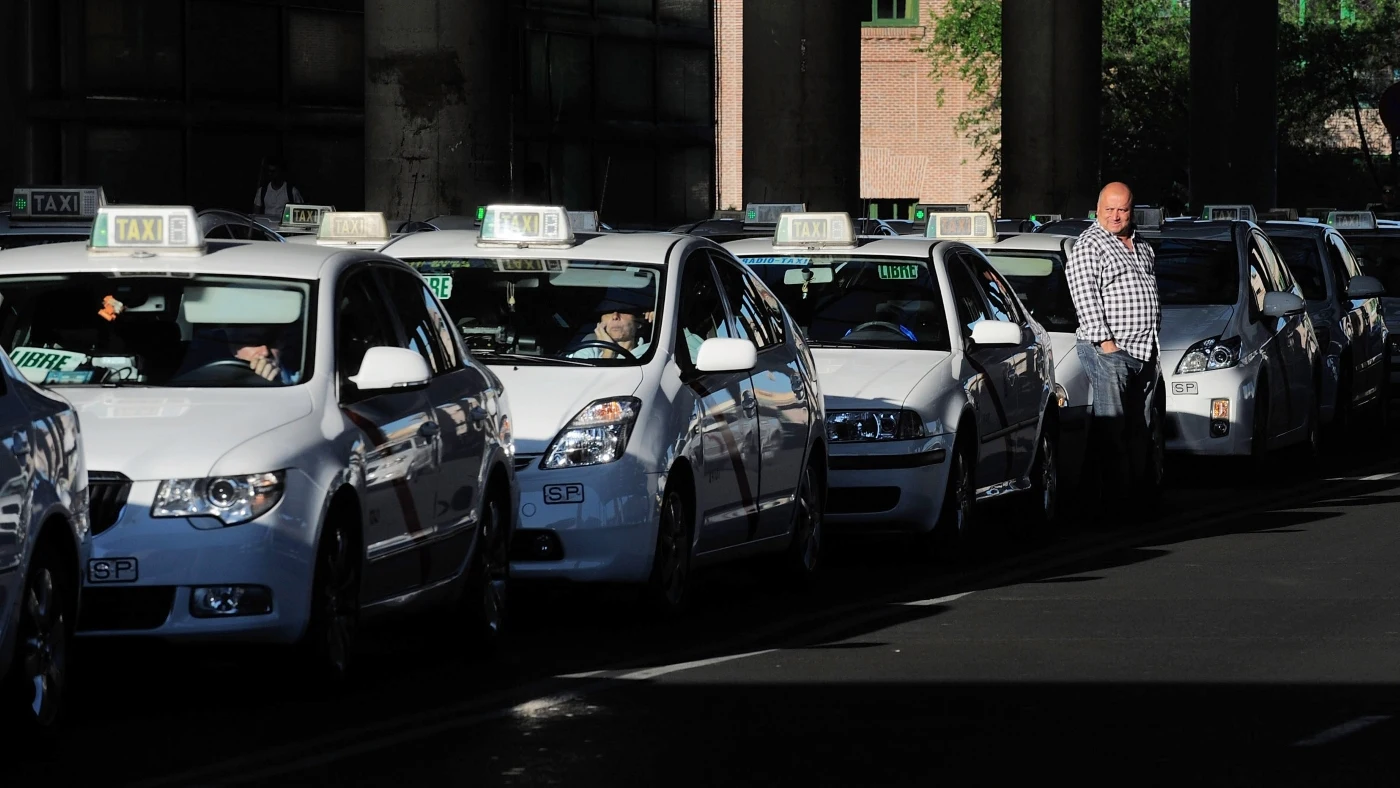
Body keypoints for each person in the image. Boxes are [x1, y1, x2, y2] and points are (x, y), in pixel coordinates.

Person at [1066, 181, 1161, 506]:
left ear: (1132, 210)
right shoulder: (1090, 245)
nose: (1116, 216)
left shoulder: (1141, 244)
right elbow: (1085, 296)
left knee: (1139, 428)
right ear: (1098, 209)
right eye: (1110, 209)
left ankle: (1135, 496)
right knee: (1114, 430)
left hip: (1144, 351)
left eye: (1123, 209)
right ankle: (1116, 505)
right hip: (1110, 352)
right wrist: (1107, 345)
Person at [568, 293, 653, 359]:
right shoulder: (588, 350)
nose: (615, 316)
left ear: (638, 323)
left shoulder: (652, 352)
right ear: (600, 323)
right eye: (608, 312)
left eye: (623, 311)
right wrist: (608, 351)